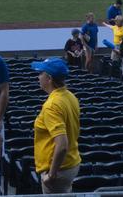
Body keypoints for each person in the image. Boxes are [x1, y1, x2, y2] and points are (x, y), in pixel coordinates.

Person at [31, 57, 80, 194]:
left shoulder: (51, 106)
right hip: (70, 164)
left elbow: (62, 145)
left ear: (49, 79)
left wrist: (51, 175)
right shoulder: (70, 96)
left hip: (58, 170)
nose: (38, 77)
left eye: (40, 73)